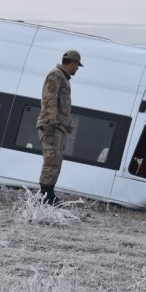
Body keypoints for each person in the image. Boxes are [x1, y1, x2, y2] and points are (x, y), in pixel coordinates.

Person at [36, 50, 83, 204]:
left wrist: (66, 125)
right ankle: (45, 195)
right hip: (51, 126)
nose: (77, 69)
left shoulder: (62, 77)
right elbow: (49, 98)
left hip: (58, 126)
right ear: (73, 63)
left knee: (55, 159)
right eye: (77, 66)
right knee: (51, 159)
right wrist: (54, 120)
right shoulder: (56, 74)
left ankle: (49, 193)